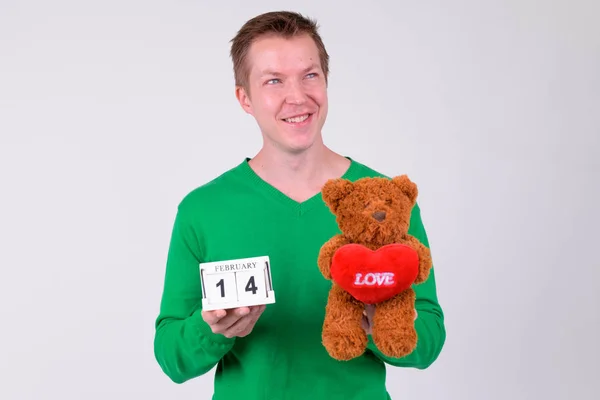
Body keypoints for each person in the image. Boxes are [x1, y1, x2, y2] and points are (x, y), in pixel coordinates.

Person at [153, 10, 445, 399]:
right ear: (245, 98)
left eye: (310, 75)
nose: (298, 96)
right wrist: (211, 331)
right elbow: (172, 358)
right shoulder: (202, 210)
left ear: (326, 82)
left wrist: (380, 321)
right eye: (273, 80)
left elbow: (428, 343)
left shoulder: (387, 202)